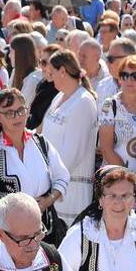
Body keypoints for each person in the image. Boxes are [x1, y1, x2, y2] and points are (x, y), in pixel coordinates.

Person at [0, 86, 71, 249]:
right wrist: (12, 209)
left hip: (44, 227)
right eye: (9, 112)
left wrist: (47, 201)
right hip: (8, 235)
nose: (17, 116)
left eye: (21, 110)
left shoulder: (40, 142)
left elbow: (62, 177)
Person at [39, 53, 99, 232]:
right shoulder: (59, 97)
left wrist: (50, 186)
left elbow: (72, 154)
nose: (49, 78)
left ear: (63, 71)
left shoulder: (83, 102)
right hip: (53, 187)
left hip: (71, 191)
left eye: (52, 72)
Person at [98, 55, 136, 172]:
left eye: (135, 76)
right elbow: (106, 148)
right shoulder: (109, 105)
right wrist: (127, 177)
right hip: (116, 177)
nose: (129, 80)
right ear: (119, 78)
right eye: (124, 75)